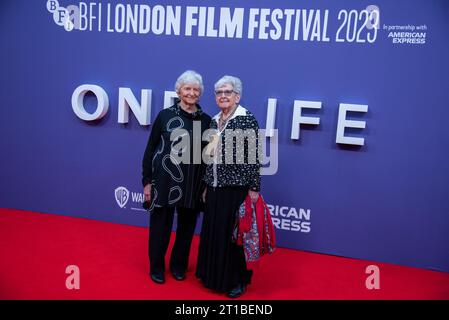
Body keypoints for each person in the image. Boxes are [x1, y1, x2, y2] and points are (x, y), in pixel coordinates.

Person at [142, 70, 211, 284]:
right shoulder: (165, 116)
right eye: (187, 88)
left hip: (193, 184)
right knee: (160, 227)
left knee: (187, 229)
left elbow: (210, 156)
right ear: (179, 91)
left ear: (200, 93)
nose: (191, 93)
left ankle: (178, 265)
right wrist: (147, 181)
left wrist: (207, 185)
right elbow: (150, 150)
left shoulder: (207, 121)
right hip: (164, 181)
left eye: (195, 89)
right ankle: (157, 267)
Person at [196, 75, 261, 298]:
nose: (223, 96)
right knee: (215, 232)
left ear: (237, 96)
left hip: (236, 188)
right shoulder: (214, 120)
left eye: (227, 92)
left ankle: (237, 281)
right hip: (214, 187)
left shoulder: (246, 119)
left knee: (234, 236)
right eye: (219, 93)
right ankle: (213, 276)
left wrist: (254, 188)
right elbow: (209, 155)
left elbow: (254, 155)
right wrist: (205, 184)